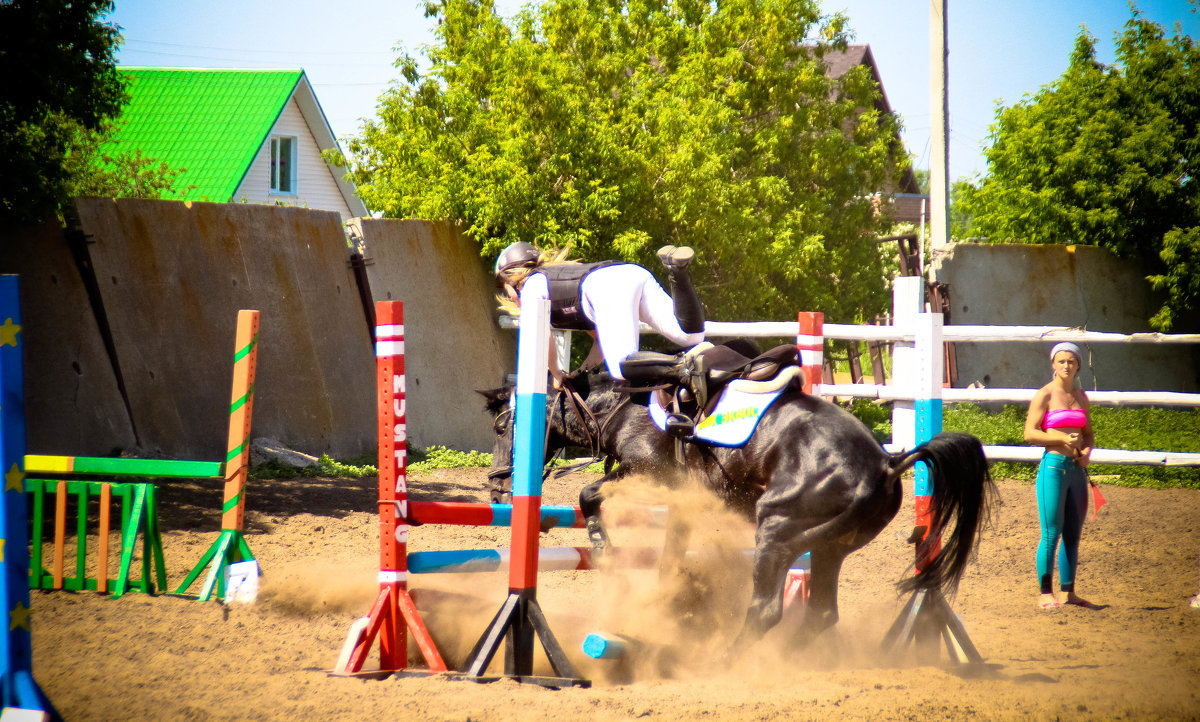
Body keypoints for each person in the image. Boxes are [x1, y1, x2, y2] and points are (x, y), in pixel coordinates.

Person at [493, 242, 706, 388]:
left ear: (513, 277)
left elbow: (542, 337)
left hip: (607, 287)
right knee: (691, 337)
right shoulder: (550, 279)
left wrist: (557, 374)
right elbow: (600, 340)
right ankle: (677, 271)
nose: (509, 295)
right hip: (631, 273)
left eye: (506, 288)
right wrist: (583, 370)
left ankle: (684, 368)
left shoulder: (530, 286)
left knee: (621, 369)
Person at [1023, 342, 1098, 610]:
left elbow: (1088, 433)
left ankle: (1069, 593)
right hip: (1053, 468)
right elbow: (1030, 433)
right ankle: (1045, 593)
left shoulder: (1082, 397)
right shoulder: (1044, 395)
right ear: (1053, 364)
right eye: (1062, 361)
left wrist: (1087, 451)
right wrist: (1059, 437)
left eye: (1072, 361)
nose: (1067, 366)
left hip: (1077, 470)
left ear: (1078, 365)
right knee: (1051, 532)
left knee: (1072, 534)